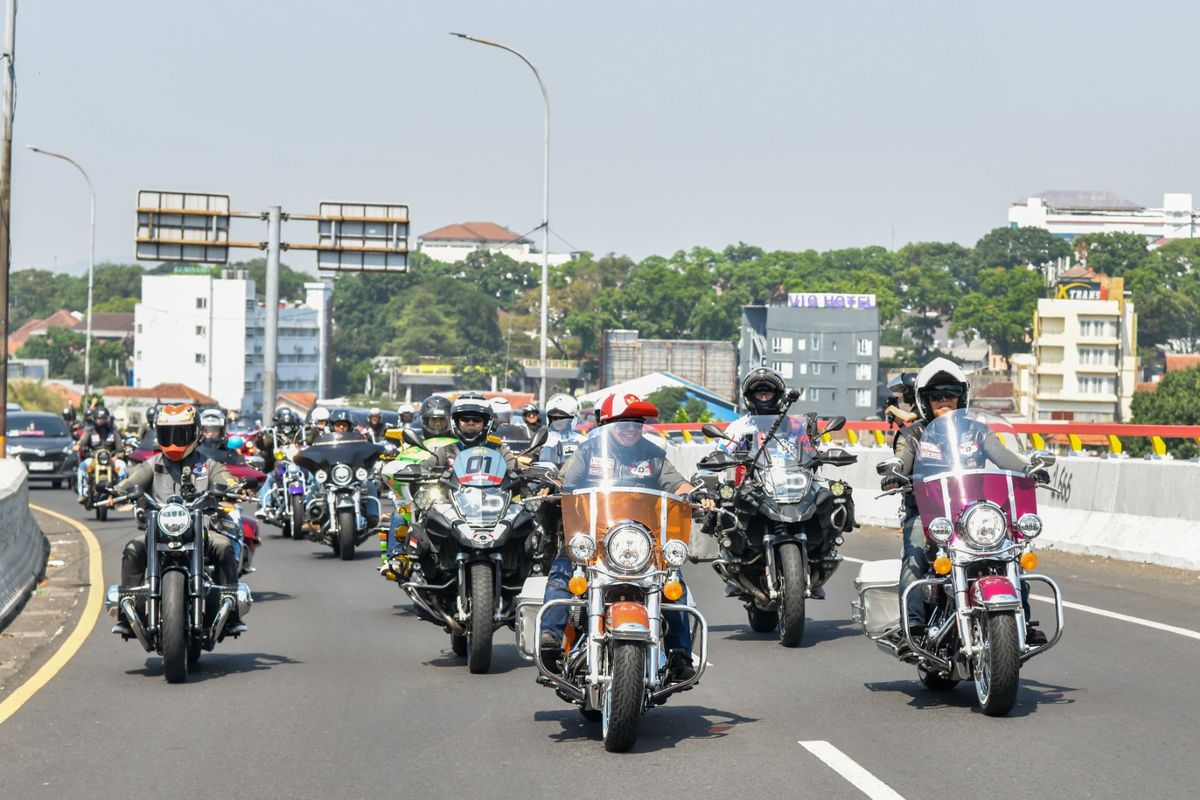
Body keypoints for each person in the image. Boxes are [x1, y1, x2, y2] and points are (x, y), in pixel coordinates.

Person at [538, 393, 715, 680]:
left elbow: (678, 483)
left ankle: (679, 653)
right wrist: (552, 486)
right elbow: (565, 479)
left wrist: (695, 493)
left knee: (672, 582)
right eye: (623, 423)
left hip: (639, 540)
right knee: (564, 570)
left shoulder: (653, 455)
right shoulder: (589, 450)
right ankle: (550, 637)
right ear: (607, 424)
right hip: (594, 537)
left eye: (636, 423)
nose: (631, 429)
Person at [883, 357, 1047, 645]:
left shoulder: (977, 430)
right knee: (914, 556)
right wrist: (894, 473)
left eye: (951, 394)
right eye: (936, 396)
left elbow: (1004, 457)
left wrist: (1028, 469)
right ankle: (913, 626)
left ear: (962, 397)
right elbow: (900, 460)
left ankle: (1021, 620)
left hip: (972, 513)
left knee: (1011, 552)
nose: (944, 400)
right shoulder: (912, 435)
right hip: (931, 517)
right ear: (924, 400)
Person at [109, 404, 246, 636]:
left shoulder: (208, 464)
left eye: (179, 433)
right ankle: (127, 614)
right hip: (159, 531)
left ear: (194, 432)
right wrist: (116, 491)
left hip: (201, 529)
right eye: (167, 433)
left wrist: (235, 488)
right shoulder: (153, 464)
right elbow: (131, 481)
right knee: (132, 549)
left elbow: (226, 479)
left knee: (223, 547)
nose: (173, 440)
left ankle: (231, 614)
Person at [254, 407, 306, 519]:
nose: (287, 427)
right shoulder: (273, 434)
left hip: (300, 465)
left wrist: (314, 431)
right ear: (279, 424)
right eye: (284, 425)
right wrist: (260, 436)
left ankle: (314, 502)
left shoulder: (300, 433)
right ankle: (265, 507)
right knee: (266, 479)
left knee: (314, 477)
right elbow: (262, 445)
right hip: (280, 466)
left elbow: (310, 439)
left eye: (289, 424)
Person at [75, 406, 128, 502]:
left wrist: (117, 456)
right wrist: (78, 445)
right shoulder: (90, 431)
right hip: (93, 459)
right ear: (94, 419)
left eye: (103, 418)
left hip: (111, 459)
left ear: (107, 419)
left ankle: (120, 493)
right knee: (82, 467)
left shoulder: (113, 431)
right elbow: (82, 442)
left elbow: (120, 449)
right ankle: (84, 493)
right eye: (99, 419)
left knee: (123, 467)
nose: (101, 421)